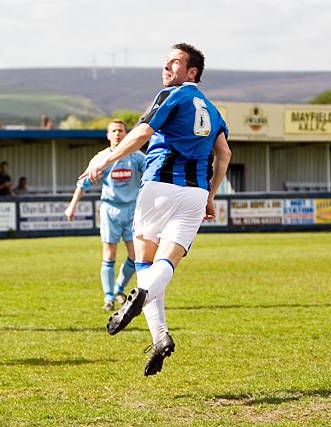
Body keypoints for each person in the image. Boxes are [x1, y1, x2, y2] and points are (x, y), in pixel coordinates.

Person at [82, 43, 231, 376]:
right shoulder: (213, 109)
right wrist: (211, 194)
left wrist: (108, 156)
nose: (166, 66)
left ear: (192, 72)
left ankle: (143, 297)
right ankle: (160, 337)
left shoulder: (171, 96)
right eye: (165, 61)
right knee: (166, 263)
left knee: (146, 264)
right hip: (195, 193)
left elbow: (144, 131)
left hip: (159, 187)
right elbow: (225, 155)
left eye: (175, 62)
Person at [66, 119, 145, 311]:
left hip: (133, 210)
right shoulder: (101, 158)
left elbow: (151, 175)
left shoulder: (136, 156)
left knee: (135, 256)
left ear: (127, 134)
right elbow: (83, 183)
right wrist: (72, 206)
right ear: (108, 135)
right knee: (109, 254)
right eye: (113, 131)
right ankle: (109, 297)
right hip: (110, 210)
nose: (117, 133)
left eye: (120, 130)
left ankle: (119, 288)